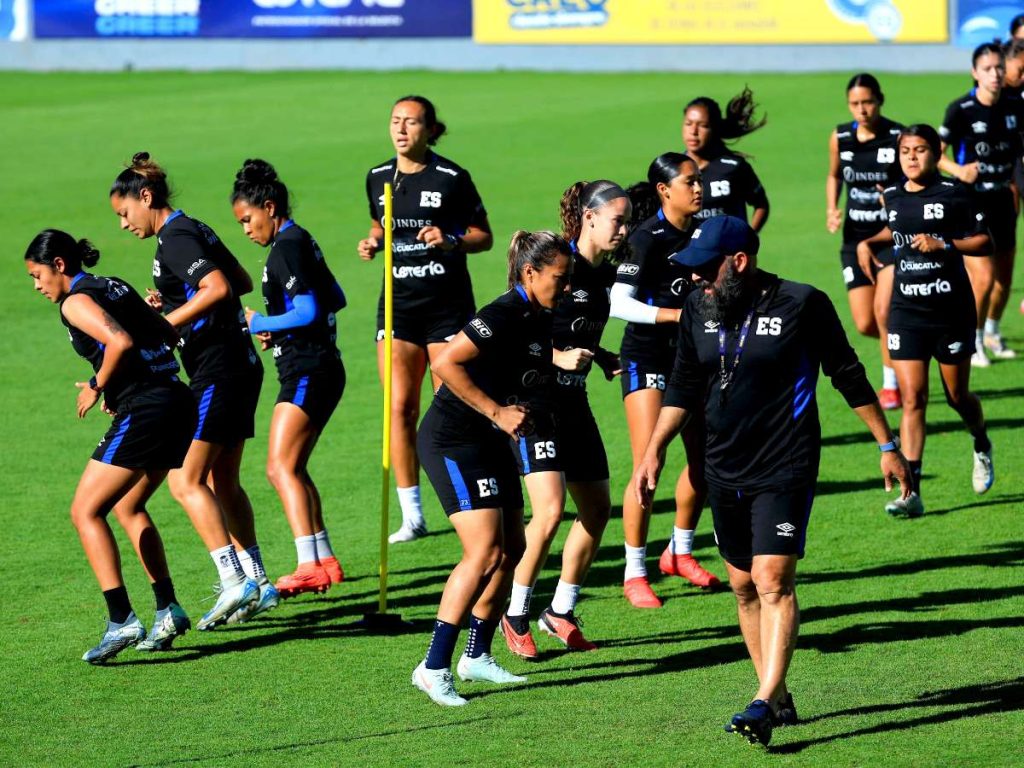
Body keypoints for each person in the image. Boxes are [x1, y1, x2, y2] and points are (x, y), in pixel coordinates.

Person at [632, 214, 911, 746]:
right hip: (722, 466)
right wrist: (654, 451)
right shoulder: (697, 307)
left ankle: (761, 702)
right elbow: (684, 384)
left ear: (739, 262)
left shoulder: (802, 303)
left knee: (772, 580)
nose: (695, 278)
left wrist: (886, 445)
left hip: (786, 463)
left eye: (705, 268)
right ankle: (777, 696)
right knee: (743, 587)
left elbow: (847, 373)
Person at [110, 153, 269, 627]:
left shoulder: (175, 237)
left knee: (185, 480)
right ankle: (259, 583)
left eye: (124, 213)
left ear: (146, 197)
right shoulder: (193, 226)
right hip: (240, 364)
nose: (123, 224)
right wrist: (176, 301)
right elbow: (240, 280)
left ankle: (234, 580)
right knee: (223, 481)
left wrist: (164, 323)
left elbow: (218, 288)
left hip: (217, 369)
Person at [412, 231, 571, 706]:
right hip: (452, 440)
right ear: (530, 273)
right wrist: (497, 412)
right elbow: (445, 363)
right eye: (559, 278)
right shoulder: (502, 312)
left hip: (489, 439)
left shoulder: (541, 316)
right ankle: (433, 667)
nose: (565, 287)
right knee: (482, 551)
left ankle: (476, 655)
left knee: (513, 549)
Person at [25, 229, 196, 663]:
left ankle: (121, 619)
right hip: (177, 399)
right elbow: (165, 333)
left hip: (147, 408)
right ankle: (168, 609)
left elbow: (120, 342)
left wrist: (98, 385)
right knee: (129, 506)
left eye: (37, 275)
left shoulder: (75, 302)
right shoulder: (113, 285)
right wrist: (120, 382)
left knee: (85, 511)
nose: (37, 285)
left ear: (59, 265)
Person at [359, 95, 494, 544]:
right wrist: (373, 241)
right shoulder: (378, 176)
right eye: (395, 121)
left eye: (411, 122)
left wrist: (451, 239)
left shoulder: (452, 178)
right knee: (399, 408)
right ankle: (413, 516)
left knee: (449, 407)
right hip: (398, 307)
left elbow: (484, 236)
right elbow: (380, 224)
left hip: (446, 308)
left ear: (430, 130)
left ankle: (465, 500)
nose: (401, 129)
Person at [500, 181, 625, 658]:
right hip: (535, 406)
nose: (623, 230)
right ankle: (515, 614)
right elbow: (513, 334)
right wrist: (557, 357)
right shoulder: (554, 264)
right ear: (589, 218)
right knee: (550, 511)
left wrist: (601, 356)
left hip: (575, 403)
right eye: (617, 220)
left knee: (596, 508)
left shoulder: (603, 274)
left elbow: (575, 332)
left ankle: (560, 611)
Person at [857, 125, 995, 517]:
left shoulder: (954, 193)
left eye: (920, 150)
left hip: (951, 313)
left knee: (957, 397)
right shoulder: (893, 194)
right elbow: (897, 228)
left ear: (936, 153)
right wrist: (870, 242)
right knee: (913, 398)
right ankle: (911, 493)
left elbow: (985, 240)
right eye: (906, 151)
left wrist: (945, 243)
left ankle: (981, 441)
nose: (912, 157)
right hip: (907, 313)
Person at [232, 159, 348, 597]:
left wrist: (260, 321)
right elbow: (336, 296)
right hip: (318, 366)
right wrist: (279, 329)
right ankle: (325, 560)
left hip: (307, 370)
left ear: (269, 207)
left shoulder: (286, 248)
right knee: (294, 467)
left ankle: (308, 566)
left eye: (248, 219)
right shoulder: (301, 240)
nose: (246, 229)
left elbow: (310, 309)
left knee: (279, 468)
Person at [609, 152, 719, 610]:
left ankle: (679, 552)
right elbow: (618, 303)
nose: (698, 189)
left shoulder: (707, 231)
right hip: (648, 358)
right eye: (689, 182)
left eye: (700, 181)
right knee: (647, 465)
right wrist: (675, 315)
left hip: (692, 359)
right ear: (663, 190)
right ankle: (635, 571)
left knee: (704, 460)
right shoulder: (645, 238)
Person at [938, 43, 1024, 365]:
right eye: (988, 69)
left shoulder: (1015, 106)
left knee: (1004, 280)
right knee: (984, 277)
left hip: (1003, 200)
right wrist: (959, 170)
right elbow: (936, 153)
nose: (995, 74)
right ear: (975, 73)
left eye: (999, 67)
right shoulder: (961, 109)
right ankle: (971, 341)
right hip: (970, 203)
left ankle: (992, 332)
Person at [825, 73, 904, 409]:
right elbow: (834, 175)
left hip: (890, 239)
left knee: (884, 312)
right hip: (853, 240)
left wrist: (895, 201)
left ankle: (891, 386)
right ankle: (907, 342)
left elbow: (911, 184)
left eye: (868, 102)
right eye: (855, 103)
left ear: (880, 100)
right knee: (865, 322)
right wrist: (832, 207)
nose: (862, 109)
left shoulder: (898, 138)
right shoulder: (840, 137)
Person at [682, 88, 770, 230]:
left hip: (729, 245)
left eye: (703, 126)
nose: (693, 131)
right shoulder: (673, 169)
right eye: (688, 124)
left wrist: (749, 238)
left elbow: (761, 205)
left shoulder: (734, 167)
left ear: (714, 128)